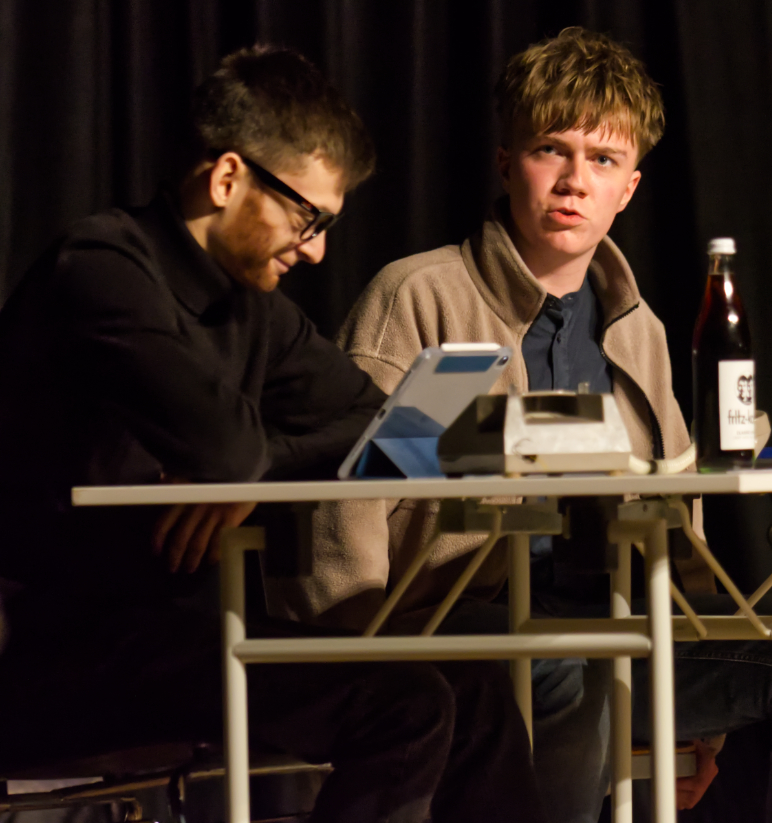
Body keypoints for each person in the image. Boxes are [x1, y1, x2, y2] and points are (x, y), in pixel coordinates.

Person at [269, 27, 772, 822]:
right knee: (567, 658)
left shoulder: (641, 329)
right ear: (506, 162)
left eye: (603, 160)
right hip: (448, 632)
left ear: (630, 188)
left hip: (612, 627)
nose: (574, 182)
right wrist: (365, 666)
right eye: (551, 150)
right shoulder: (420, 296)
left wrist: (695, 724)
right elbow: (343, 510)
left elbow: (679, 527)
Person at [0, 46, 539, 823]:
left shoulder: (255, 308)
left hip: (180, 638)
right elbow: (227, 448)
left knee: (478, 688)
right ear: (228, 178)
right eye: (307, 217)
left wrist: (249, 475)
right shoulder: (100, 269)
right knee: (406, 703)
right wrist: (237, 468)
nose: (315, 248)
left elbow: (376, 423)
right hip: (56, 647)